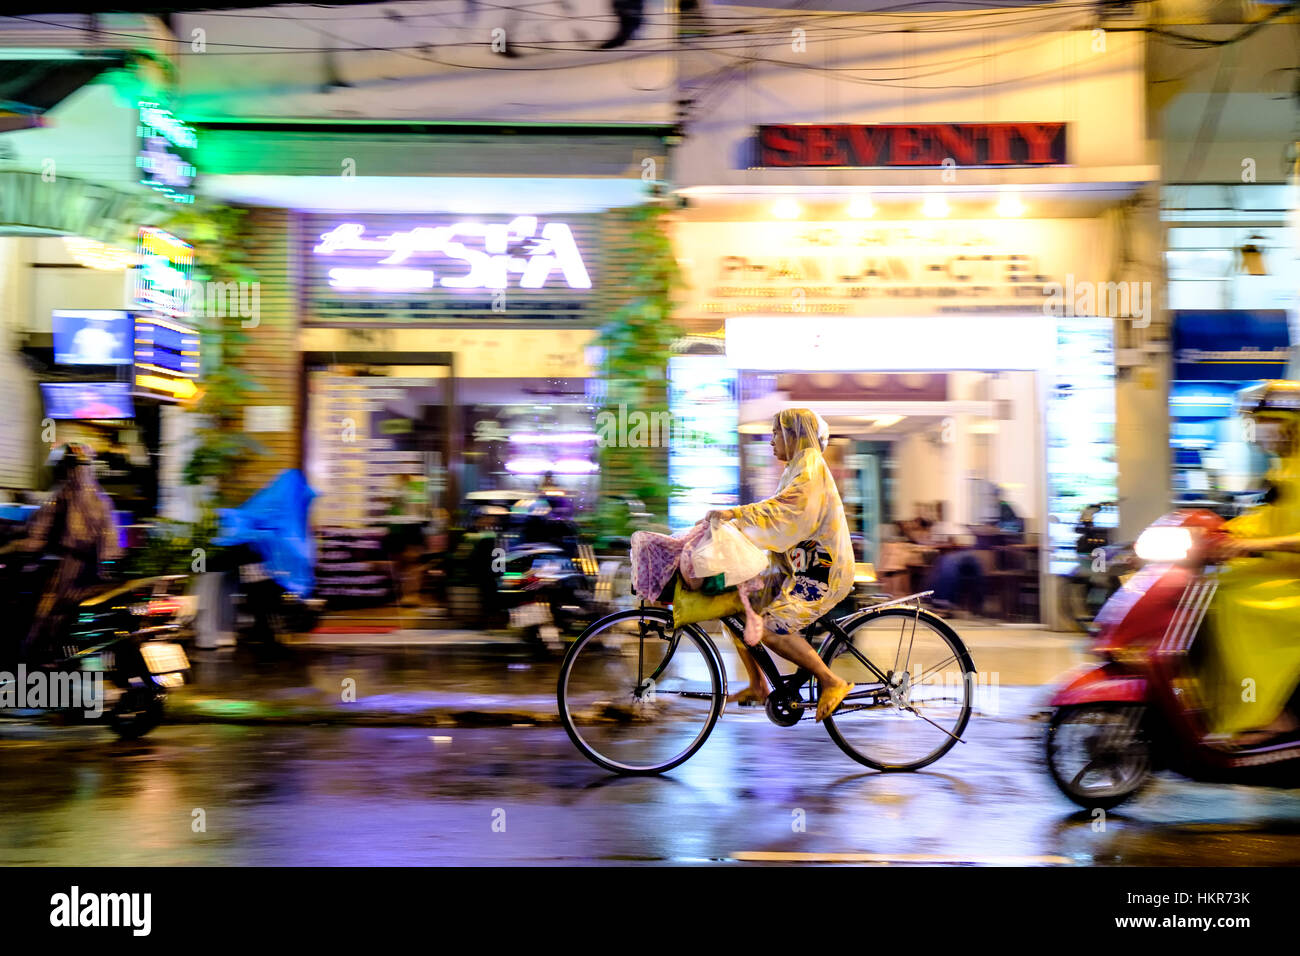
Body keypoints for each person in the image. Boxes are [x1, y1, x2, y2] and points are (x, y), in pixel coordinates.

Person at [706, 408, 856, 722]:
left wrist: (735, 515)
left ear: (793, 434)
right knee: (736, 609)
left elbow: (785, 513)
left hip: (821, 572)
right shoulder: (797, 467)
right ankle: (757, 684)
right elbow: (779, 520)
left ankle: (832, 681)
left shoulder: (810, 467)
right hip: (794, 569)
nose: (773, 441)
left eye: (776, 433)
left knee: (769, 629)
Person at [1204, 381, 1300, 744]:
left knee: (1236, 603)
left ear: (1288, 424)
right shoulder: (1286, 467)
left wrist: (1252, 544)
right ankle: (1224, 702)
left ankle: (1276, 713)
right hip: (1286, 569)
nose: (1256, 432)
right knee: (1214, 588)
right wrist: (1220, 531)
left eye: (1263, 422)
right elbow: (1269, 517)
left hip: (1293, 577)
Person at [11, 443, 120, 662]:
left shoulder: (63, 496)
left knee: (44, 618)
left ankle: (39, 666)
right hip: (95, 574)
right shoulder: (102, 499)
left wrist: (16, 546)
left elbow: (37, 535)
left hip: (68, 572)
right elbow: (113, 547)